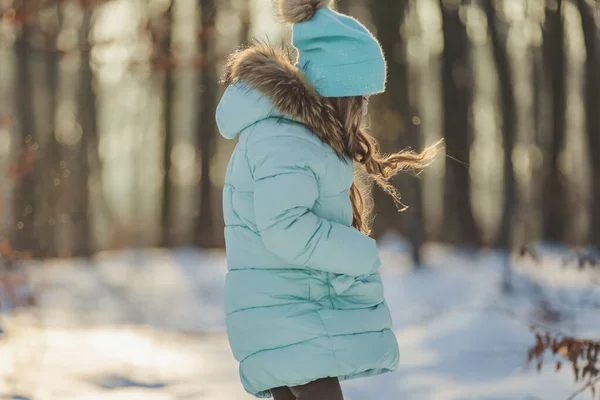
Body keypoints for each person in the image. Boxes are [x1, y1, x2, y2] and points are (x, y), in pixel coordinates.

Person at [216, 0, 436, 398]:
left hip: (286, 308)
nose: (367, 108)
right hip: (289, 310)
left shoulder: (294, 136)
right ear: (341, 91)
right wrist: (357, 252)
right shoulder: (287, 139)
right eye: (363, 97)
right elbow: (284, 225)